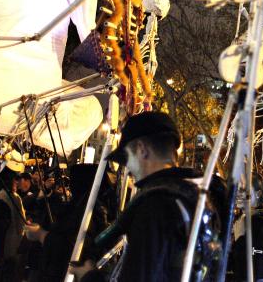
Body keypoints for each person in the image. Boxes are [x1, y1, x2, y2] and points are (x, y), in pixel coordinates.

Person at [70, 111, 221, 282]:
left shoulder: (155, 205)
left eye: (127, 157)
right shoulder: (198, 198)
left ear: (142, 149)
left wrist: (89, 277)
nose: (128, 168)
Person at [0, 164, 26, 282]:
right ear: (12, 180)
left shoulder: (3, 196)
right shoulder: (7, 198)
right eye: (17, 179)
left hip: (6, 246)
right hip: (7, 247)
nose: (19, 182)